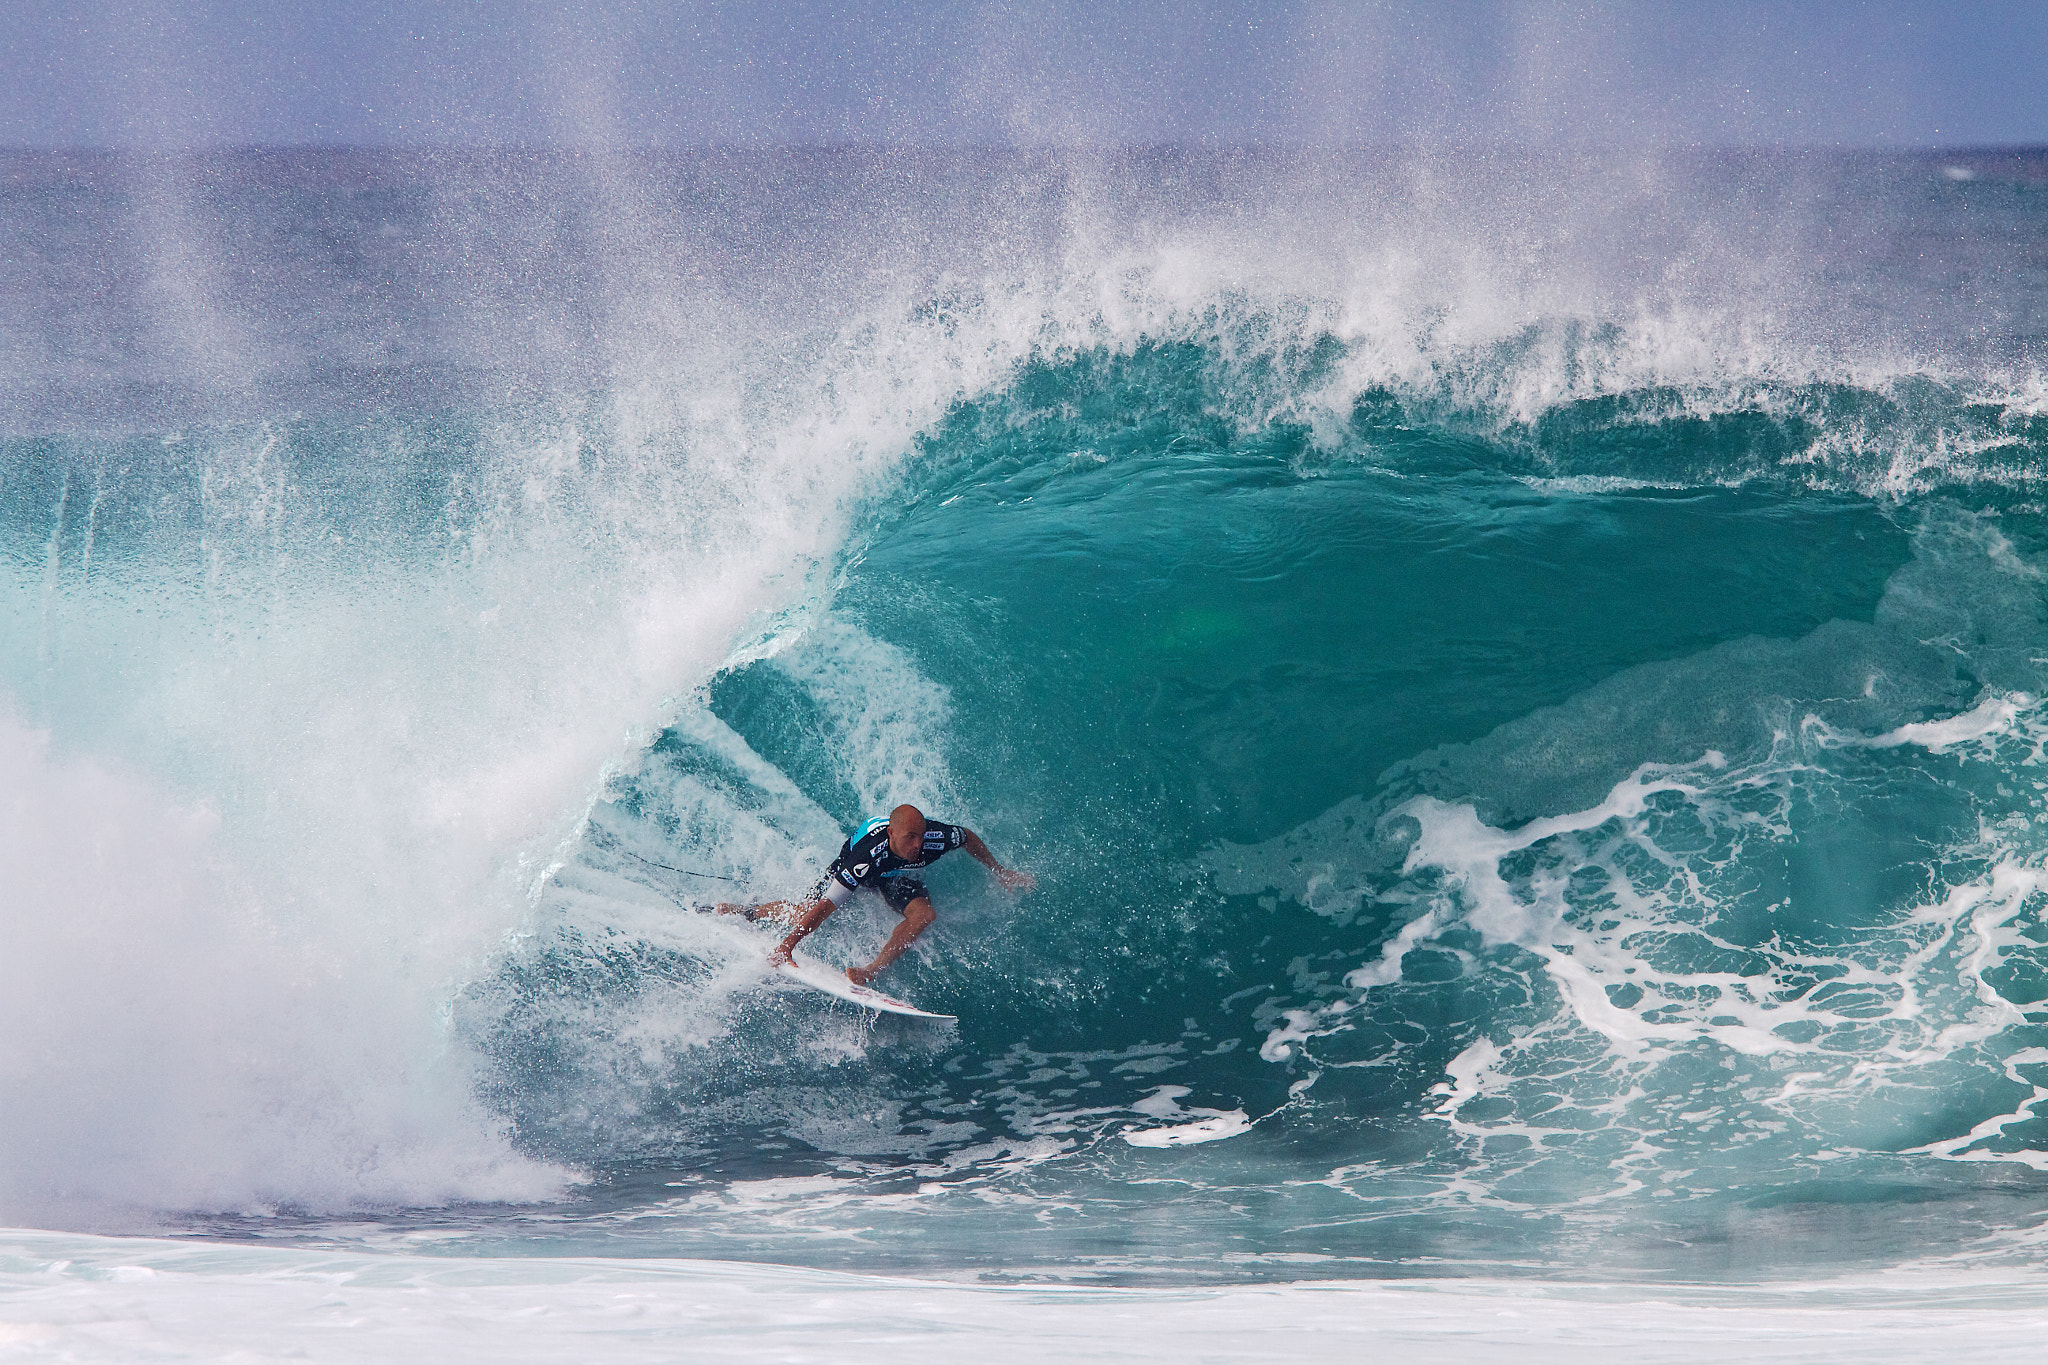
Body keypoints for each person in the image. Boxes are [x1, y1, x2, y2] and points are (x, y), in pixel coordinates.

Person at [717, 804, 1033, 985]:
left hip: (896, 874)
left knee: (925, 915)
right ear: (892, 833)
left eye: (921, 838)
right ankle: (746, 911)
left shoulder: (935, 838)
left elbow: (967, 837)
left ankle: (871, 969)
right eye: (911, 838)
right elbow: (828, 906)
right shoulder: (865, 855)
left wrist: (1000, 870)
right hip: (865, 867)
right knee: (806, 914)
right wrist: (788, 946)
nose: (918, 846)